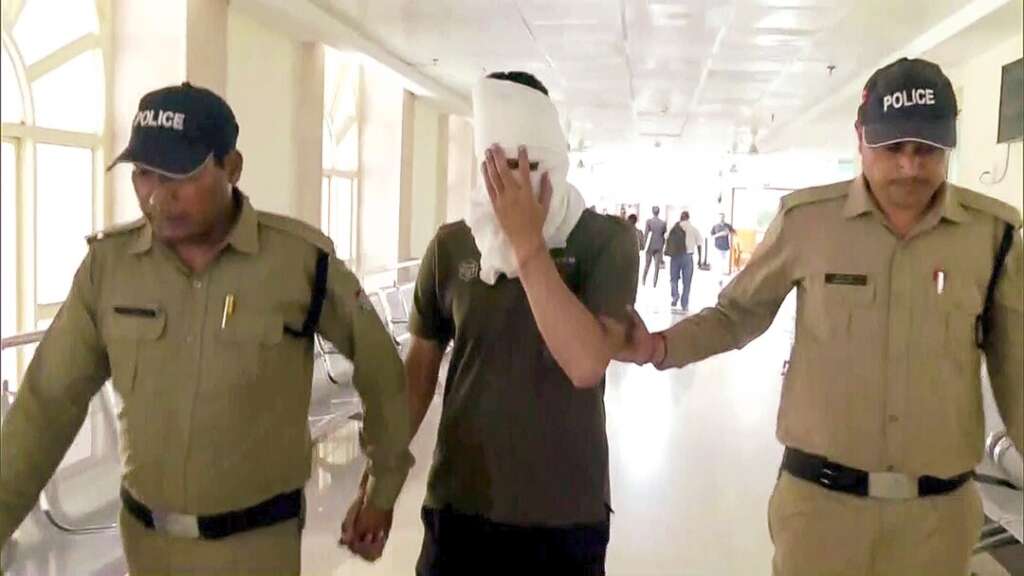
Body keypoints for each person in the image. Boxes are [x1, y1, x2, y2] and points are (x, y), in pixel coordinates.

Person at [612, 58, 1022, 575]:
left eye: (927, 150)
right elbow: (737, 313)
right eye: (893, 148)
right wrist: (659, 346)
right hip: (821, 513)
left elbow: (1017, 371)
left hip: (937, 522)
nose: (909, 167)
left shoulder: (991, 237)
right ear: (861, 138)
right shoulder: (808, 223)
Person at [0, 84, 414, 575]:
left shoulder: (299, 263)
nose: (159, 195)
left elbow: (380, 369)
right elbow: (45, 407)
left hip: (258, 548)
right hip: (148, 547)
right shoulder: (108, 269)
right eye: (144, 173)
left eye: (182, 174)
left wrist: (382, 486)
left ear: (232, 168)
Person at [405, 71, 638, 574]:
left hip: (564, 513)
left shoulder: (606, 242)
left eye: (526, 165)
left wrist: (528, 243)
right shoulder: (452, 245)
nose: (512, 184)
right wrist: (380, 477)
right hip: (461, 504)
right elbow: (419, 371)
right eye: (499, 166)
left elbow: (586, 363)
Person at [665, 211, 704, 312]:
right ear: (688, 218)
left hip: (675, 256)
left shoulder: (674, 227)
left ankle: (675, 295)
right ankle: (684, 303)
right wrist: (700, 259)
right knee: (687, 282)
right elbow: (699, 244)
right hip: (688, 257)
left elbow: (666, 237)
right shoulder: (693, 229)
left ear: (681, 217)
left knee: (673, 279)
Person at [642, 206, 667, 286]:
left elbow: (646, 235)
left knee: (647, 265)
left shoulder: (649, 222)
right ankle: (654, 284)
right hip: (659, 246)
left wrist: (643, 245)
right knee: (656, 267)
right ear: (659, 212)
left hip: (650, 246)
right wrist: (663, 247)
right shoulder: (663, 223)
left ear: (652, 212)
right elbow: (664, 236)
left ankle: (643, 281)